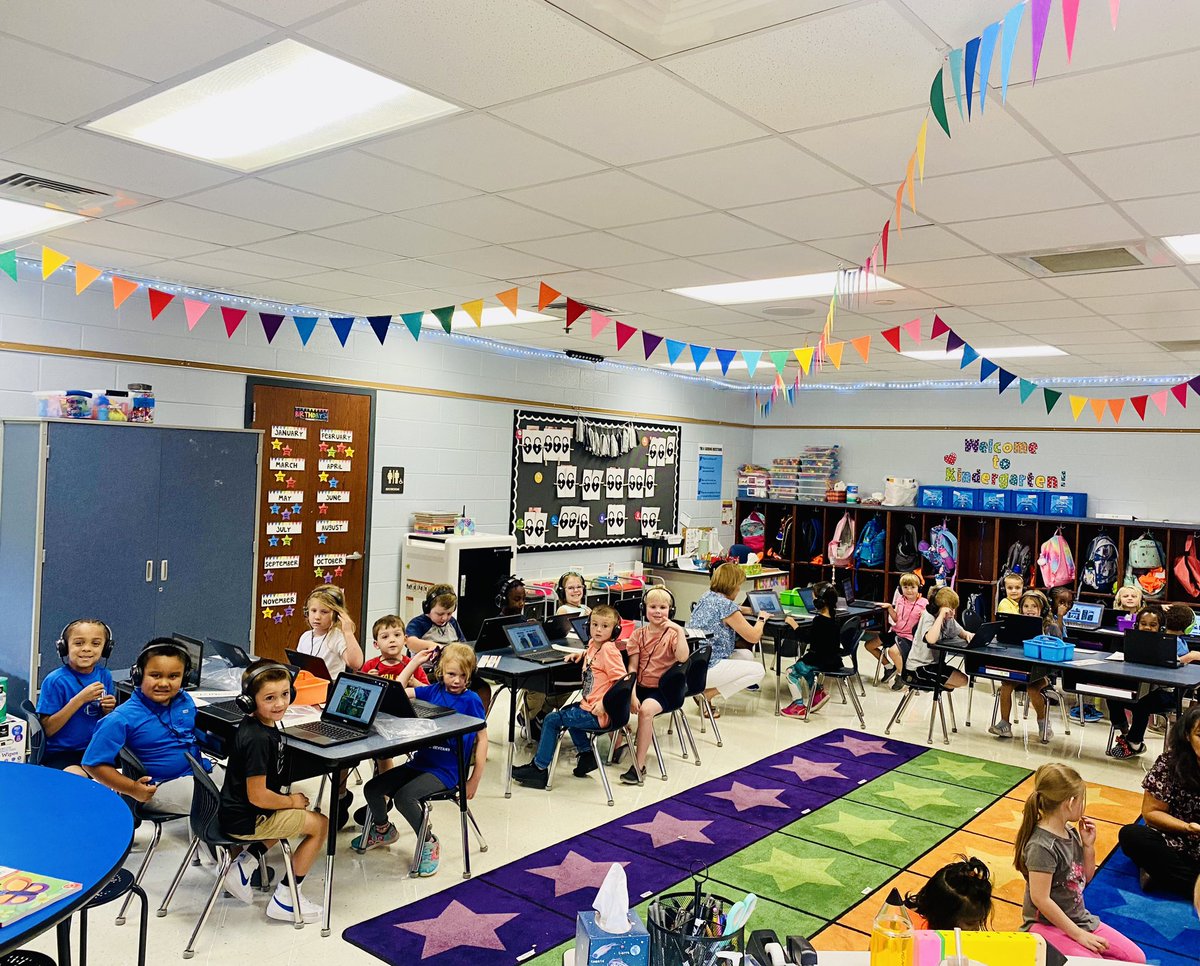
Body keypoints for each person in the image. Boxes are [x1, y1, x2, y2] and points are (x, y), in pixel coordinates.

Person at [351, 643, 487, 875]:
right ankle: (383, 830)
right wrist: (413, 663)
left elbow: (482, 739)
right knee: (373, 788)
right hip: (421, 763)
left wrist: (474, 779)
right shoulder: (432, 690)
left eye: (463, 676)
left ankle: (428, 841)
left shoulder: (471, 700)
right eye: (451, 674)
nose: (456, 681)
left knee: (405, 797)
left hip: (448, 771)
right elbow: (397, 691)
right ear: (441, 671)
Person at [219, 661, 328, 922]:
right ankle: (287, 899)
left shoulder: (256, 726)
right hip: (248, 817)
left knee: (290, 815)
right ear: (248, 701)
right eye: (269, 698)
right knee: (321, 825)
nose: (280, 703)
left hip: (234, 811)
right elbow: (259, 797)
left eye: (285, 694)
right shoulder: (258, 740)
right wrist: (292, 801)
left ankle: (244, 865)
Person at [1015, 762, 1145, 962]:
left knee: (1136, 959)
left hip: (1078, 919)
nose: (1083, 805)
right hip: (1045, 926)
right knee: (1094, 962)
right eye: (1082, 799)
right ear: (1070, 802)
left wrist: (1088, 847)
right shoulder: (1042, 847)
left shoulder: (1070, 832)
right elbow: (1041, 899)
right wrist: (1078, 935)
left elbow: (1083, 879)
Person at [83, 639, 221, 815]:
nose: (164, 683)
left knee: (244, 794)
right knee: (221, 806)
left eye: (173, 676)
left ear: (184, 678)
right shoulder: (121, 718)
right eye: (155, 675)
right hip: (159, 785)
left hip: (198, 770)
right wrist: (132, 788)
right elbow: (91, 764)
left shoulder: (183, 700)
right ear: (139, 675)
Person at [513, 605, 625, 790]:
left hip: (598, 713)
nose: (598, 629)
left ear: (615, 630)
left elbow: (622, 682)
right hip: (589, 708)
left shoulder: (608, 650)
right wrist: (580, 654)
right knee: (567, 713)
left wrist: (604, 704)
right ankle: (587, 755)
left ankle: (539, 769)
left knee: (551, 720)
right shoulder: (594, 646)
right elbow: (593, 655)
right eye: (594, 624)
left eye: (605, 626)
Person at [1118, 704, 1200, 898]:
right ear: (1187, 736)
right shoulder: (1169, 763)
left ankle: (1160, 875)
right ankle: (1193, 885)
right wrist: (1188, 828)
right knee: (1131, 835)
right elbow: (1151, 814)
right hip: (1175, 840)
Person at [686, 562, 786, 710]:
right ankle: (707, 695)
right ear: (732, 585)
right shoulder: (726, 607)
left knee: (746, 655)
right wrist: (762, 618)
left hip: (695, 662)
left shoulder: (708, 597)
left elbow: (735, 608)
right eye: (738, 585)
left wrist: (753, 610)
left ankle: (705, 693)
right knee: (758, 671)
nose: (739, 589)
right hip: (709, 667)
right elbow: (753, 637)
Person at [1107, 605, 1200, 760]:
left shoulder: (1169, 642)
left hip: (1166, 692)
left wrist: (1189, 657)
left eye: (1153, 625)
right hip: (1143, 687)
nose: (1147, 628)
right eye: (1143, 624)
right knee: (1112, 693)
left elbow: (1175, 663)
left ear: (1161, 627)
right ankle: (1124, 729)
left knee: (1141, 705)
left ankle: (1134, 742)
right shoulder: (1137, 640)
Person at [620, 588, 689, 784]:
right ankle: (617, 745)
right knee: (609, 699)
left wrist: (678, 630)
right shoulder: (637, 635)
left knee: (646, 711)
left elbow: (683, 657)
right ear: (644, 609)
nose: (658, 612)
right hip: (641, 686)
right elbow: (632, 668)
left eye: (663, 607)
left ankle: (638, 766)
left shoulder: (673, 634)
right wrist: (632, 695)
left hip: (666, 690)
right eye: (653, 607)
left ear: (671, 611)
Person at [36, 619, 116, 775]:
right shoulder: (56, 681)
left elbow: (108, 724)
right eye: (79, 643)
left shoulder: (104, 675)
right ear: (64, 647)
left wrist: (108, 710)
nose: (86, 649)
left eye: (95, 644)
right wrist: (79, 700)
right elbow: (48, 730)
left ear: (106, 649)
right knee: (79, 779)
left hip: (94, 748)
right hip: (62, 752)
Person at [362, 615, 428, 774]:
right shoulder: (371, 665)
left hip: (407, 717)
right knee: (382, 752)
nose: (392, 640)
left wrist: (415, 683)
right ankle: (383, 791)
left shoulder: (412, 664)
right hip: (380, 718)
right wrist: (369, 681)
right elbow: (361, 694)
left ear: (405, 639)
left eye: (397, 635)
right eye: (385, 637)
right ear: (376, 644)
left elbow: (428, 690)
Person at [990, 591, 1054, 742]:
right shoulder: (1016, 624)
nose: (1029, 609)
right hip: (1021, 668)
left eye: (1034, 606)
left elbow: (1055, 651)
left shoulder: (1050, 627)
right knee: (1005, 685)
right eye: (1026, 606)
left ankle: (1043, 722)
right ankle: (1005, 724)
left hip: (1043, 672)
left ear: (1042, 610)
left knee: (1032, 689)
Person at [782, 585, 842, 720]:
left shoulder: (819, 621)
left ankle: (798, 706)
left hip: (820, 660)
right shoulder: (835, 617)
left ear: (821, 602)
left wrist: (793, 624)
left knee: (791, 673)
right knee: (807, 668)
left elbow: (806, 638)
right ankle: (818, 694)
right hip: (833, 660)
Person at [864, 574, 927, 690]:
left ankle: (903, 676)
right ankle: (889, 667)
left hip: (910, 637)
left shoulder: (924, 604)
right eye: (906, 587)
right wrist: (889, 608)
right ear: (900, 589)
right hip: (896, 632)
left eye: (912, 587)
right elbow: (896, 619)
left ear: (919, 588)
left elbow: (927, 625)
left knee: (893, 651)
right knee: (869, 645)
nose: (909, 590)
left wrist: (924, 616)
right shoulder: (900, 600)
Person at [904, 587, 972, 692]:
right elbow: (931, 640)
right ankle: (922, 683)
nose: (953, 613)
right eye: (950, 610)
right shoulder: (929, 617)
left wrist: (968, 635)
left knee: (963, 680)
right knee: (961, 680)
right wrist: (940, 616)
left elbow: (961, 633)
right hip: (919, 668)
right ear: (938, 608)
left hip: (935, 664)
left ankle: (935, 685)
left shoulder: (948, 618)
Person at [903, 856, 993, 930]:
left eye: (979, 921)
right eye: (970, 923)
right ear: (942, 916)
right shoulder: (911, 931)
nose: (977, 929)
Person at [295, 584, 363, 678]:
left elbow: (356, 664)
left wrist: (348, 632)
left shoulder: (337, 637)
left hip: (329, 688)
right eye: (313, 611)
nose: (317, 617)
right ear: (307, 612)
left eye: (324, 612)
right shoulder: (305, 637)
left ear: (336, 615)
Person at [404, 585, 466, 653]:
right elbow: (409, 642)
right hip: (425, 663)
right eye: (440, 614)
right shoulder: (418, 623)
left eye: (449, 614)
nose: (445, 618)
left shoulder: (452, 622)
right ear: (427, 608)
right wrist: (435, 647)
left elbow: (463, 645)